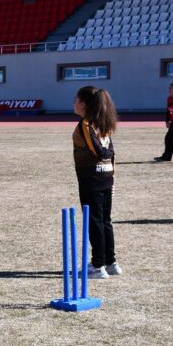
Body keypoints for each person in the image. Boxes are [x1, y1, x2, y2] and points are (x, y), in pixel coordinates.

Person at [72, 86, 120, 279]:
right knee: (104, 221)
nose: (73, 103)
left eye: (76, 100)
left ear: (83, 104)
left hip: (92, 178)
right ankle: (111, 263)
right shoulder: (103, 123)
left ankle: (98, 265)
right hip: (105, 177)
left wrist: (110, 173)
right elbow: (111, 153)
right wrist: (113, 177)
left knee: (95, 222)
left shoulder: (86, 124)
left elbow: (101, 151)